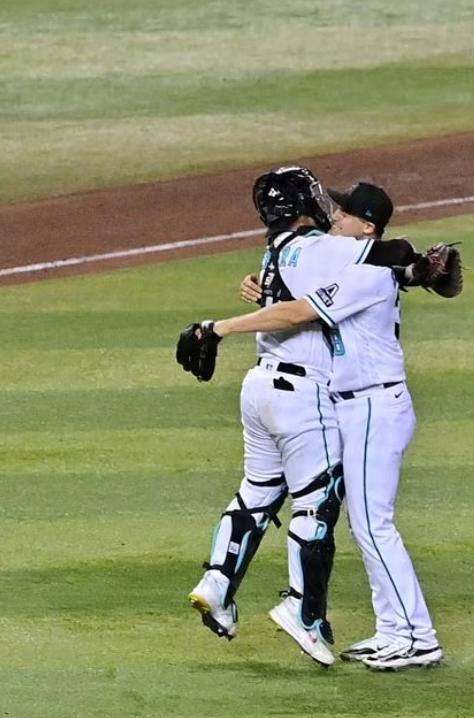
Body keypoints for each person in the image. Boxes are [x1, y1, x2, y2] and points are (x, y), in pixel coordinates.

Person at [184, 167, 420, 668]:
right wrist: (414, 268)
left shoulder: (279, 251)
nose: (334, 213)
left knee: (259, 490)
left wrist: (249, 302)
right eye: (330, 205)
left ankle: (218, 582)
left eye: (345, 211)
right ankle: (305, 612)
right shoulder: (319, 248)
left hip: (259, 388)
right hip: (304, 393)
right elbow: (388, 255)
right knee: (318, 503)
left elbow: (304, 295)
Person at [237, 182, 444, 671]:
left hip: (375, 404)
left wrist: (220, 327)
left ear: (366, 227)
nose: (334, 217)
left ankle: (420, 639)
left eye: (345, 212)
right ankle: (395, 630)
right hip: (358, 406)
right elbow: (298, 290)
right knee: (367, 526)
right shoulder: (357, 264)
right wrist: (259, 284)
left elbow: (301, 310)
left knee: (374, 526)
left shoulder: (367, 270)